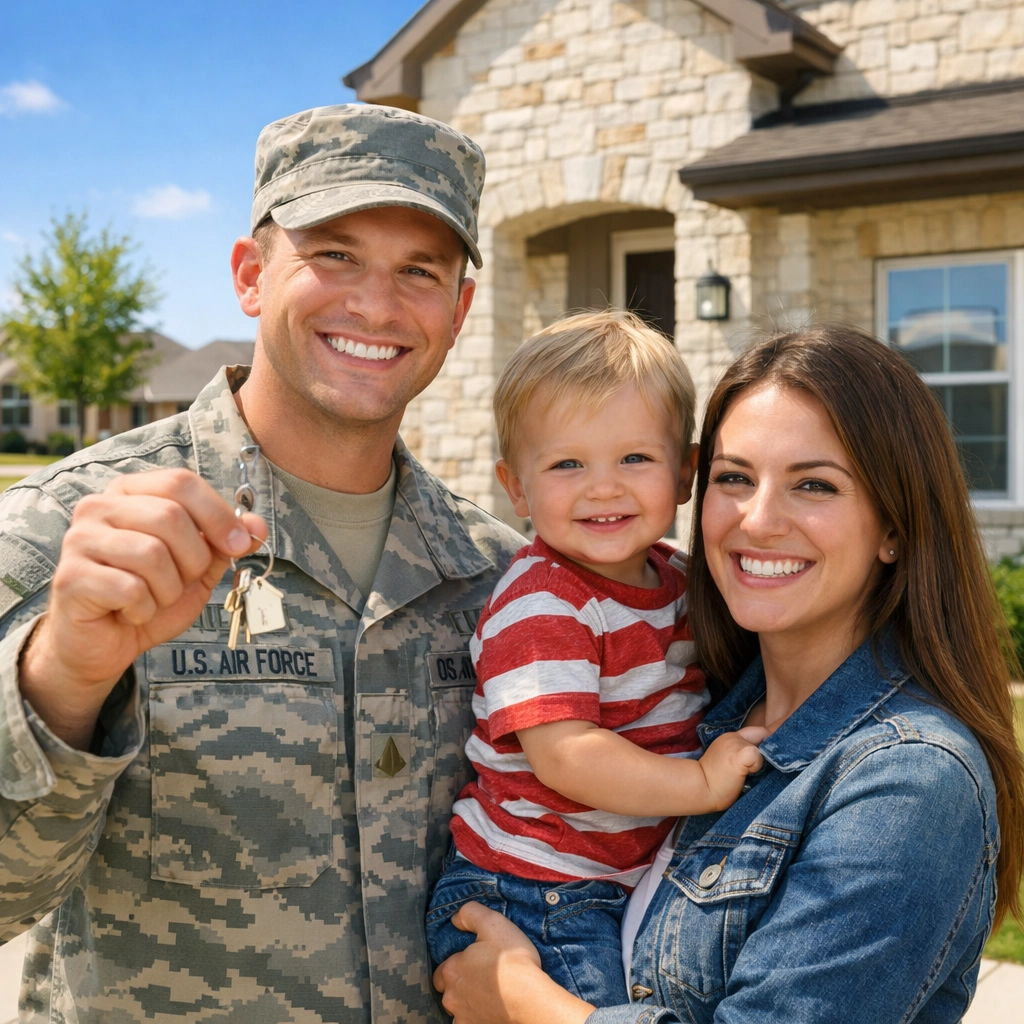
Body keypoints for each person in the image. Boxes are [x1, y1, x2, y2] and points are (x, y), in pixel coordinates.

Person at [0, 104, 524, 1023]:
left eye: (419, 271)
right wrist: (64, 677)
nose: (376, 303)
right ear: (251, 275)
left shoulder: (499, 578)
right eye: (335, 255)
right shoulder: (74, 531)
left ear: (459, 311)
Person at [432, 324, 1024, 1024]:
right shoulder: (711, 704)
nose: (759, 520)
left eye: (814, 484)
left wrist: (528, 1006)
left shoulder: (911, 779)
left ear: (894, 526)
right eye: (736, 478)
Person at [426, 311, 765, 1006]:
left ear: (684, 474)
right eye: (567, 463)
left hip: (605, 880)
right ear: (516, 488)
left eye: (634, 458)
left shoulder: (675, 578)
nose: (603, 487)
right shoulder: (544, 599)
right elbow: (567, 756)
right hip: (530, 889)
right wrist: (701, 785)